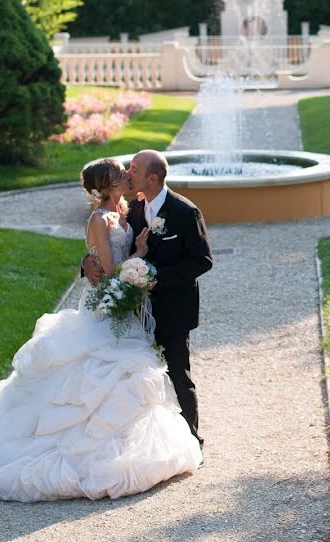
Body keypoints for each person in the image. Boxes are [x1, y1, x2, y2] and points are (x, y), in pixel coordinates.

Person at [0, 158, 202, 502]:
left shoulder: (130, 208)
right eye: (121, 173)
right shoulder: (101, 218)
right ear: (107, 185)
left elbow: (183, 258)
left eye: (128, 170)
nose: (126, 174)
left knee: (155, 373)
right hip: (105, 308)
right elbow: (106, 269)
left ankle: (182, 437)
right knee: (95, 377)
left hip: (135, 307)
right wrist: (136, 254)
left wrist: (123, 261)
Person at [84, 150, 212, 447]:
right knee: (136, 378)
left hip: (172, 308)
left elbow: (202, 261)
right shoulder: (133, 209)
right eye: (127, 169)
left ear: (152, 178)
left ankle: (191, 441)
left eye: (134, 169)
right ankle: (140, 443)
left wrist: (155, 278)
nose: (128, 173)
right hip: (129, 309)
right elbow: (104, 247)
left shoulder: (184, 212)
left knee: (178, 373)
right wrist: (85, 263)